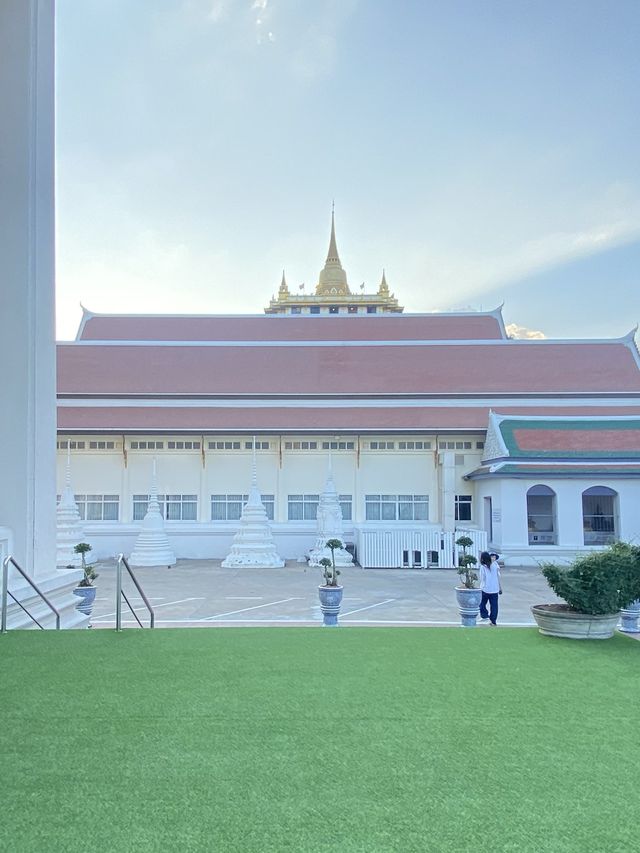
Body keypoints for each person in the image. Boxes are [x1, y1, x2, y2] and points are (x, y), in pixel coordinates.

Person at [479, 551, 502, 625]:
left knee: (481, 604)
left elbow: (482, 578)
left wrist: (481, 587)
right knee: (494, 606)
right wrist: (500, 587)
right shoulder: (495, 565)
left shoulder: (483, 567)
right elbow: (498, 577)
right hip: (495, 589)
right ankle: (493, 621)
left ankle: (485, 616)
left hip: (485, 589)